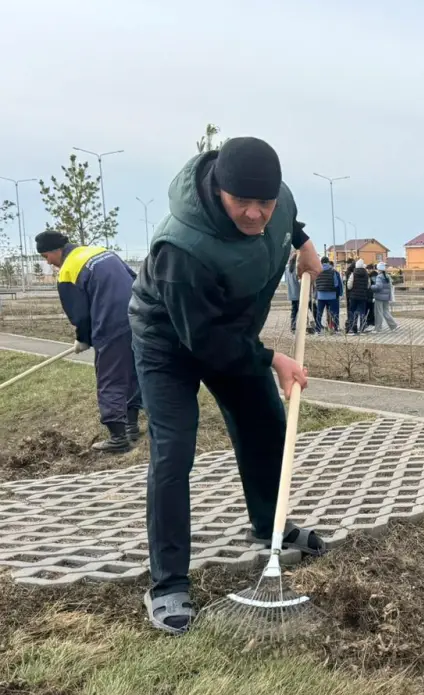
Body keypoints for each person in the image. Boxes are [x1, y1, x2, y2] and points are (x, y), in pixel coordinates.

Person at [129, 136, 326, 634]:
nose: (257, 214)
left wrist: (303, 246)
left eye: (266, 203)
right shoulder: (181, 248)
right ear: (219, 190)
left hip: (229, 334)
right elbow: (206, 344)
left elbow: (289, 222)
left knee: (266, 425)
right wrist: (273, 359)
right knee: (174, 452)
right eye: (244, 203)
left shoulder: (278, 202)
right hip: (169, 341)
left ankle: (269, 526)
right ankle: (169, 583)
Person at [35, 230, 143, 452]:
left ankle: (118, 438)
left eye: (46, 257)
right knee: (131, 372)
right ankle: (131, 426)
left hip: (111, 325)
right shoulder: (101, 252)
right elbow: (134, 278)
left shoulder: (68, 271)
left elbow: (80, 314)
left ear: (55, 250)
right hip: (136, 316)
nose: (49, 263)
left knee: (110, 377)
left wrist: (82, 338)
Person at [314, 256, 342, 332]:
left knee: (319, 313)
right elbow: (336, 284)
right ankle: (335, 328)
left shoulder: (318, 271)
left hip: (320, 296)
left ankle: (318, 329)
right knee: (334, 312)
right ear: (328, 262)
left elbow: (315, 283)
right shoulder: (333, 272)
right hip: (332, 296)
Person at [372, 262, 399, 332]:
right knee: (386, 312)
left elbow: (378, 287)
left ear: (379, 269)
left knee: (378, 313)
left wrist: (371, 287)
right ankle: (393, 326)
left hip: (379, 297)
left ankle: (378, 328)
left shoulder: (379, 277)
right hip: (386, 297)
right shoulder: (387, 276)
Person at [345, 258, 370, 335]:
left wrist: (352, 289)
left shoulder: (353, 274)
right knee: (362, 312)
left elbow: (349, 285)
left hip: (353, 296)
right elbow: (368, 286)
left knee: (352, 311)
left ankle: (353, 328)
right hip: (363, 296)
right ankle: (362, 329)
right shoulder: (366, 274)